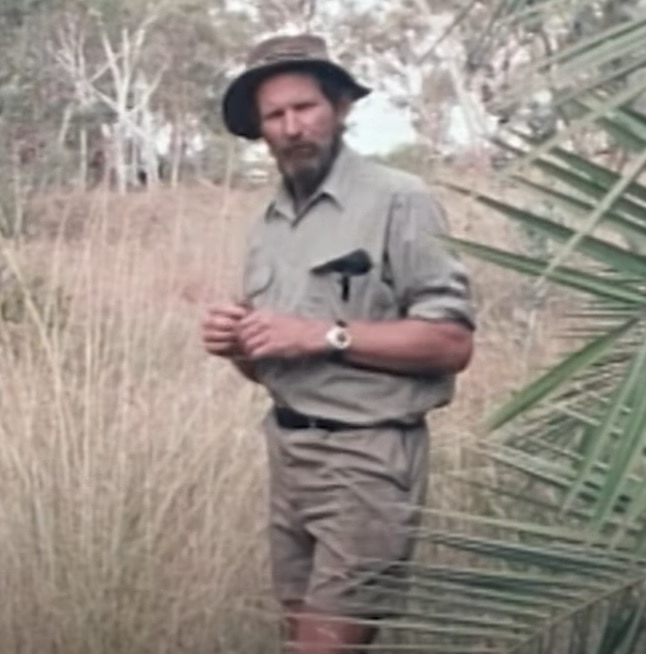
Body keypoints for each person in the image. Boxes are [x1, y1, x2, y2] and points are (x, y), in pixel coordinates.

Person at [200, 33, 477, 653]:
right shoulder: (268, 223)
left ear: (342, 107)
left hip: (369, 459)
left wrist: (324, 334)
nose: (292, 126)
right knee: (299, 633)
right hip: (290, 454)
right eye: (275, 115)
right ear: (258, 129)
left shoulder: (399, 200)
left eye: (306, 108)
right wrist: (240, 345)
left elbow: (452, 342)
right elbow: (277, 363)